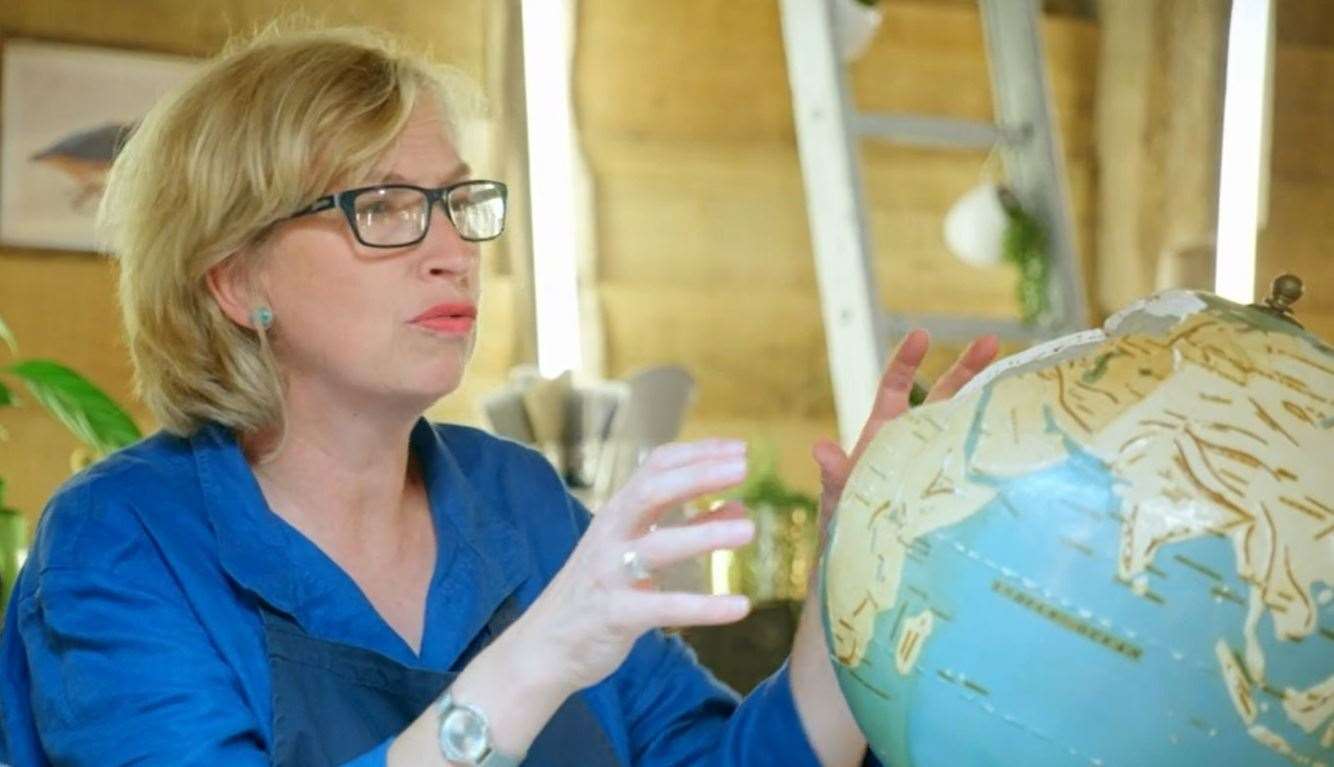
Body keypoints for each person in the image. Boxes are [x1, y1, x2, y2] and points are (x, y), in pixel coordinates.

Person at [0, 24, 997, 767]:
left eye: (455, 201)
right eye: (381, 206)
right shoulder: (125, 540)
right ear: (233, 277)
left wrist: (853, 575)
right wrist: (539, 657)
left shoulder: (515, 501)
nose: (449, 251)